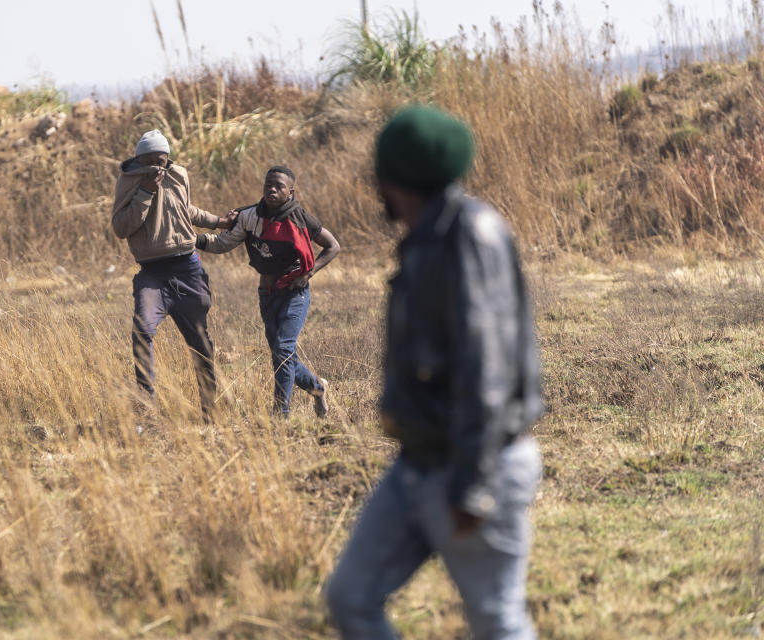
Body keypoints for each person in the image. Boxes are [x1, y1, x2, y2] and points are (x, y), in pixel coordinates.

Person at [326, 106, 544, 639]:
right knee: (351, 596)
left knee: (496, 621)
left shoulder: (469, 236)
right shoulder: (428, 235)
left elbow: (485, 366)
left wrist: (473, 484)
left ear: (392, 179)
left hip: (470, 464)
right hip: (419, 464)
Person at [111, 129, 236, 422]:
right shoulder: (130, 181)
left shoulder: (178, 174)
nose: (157, 168)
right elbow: (120, 227)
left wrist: (219, 222)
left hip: (187, 268)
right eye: (150, 162)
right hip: (152, 273)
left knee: (200, 342)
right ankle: (147, 406)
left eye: (162, 161)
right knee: (142, 331)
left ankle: (210, 411)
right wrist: (145, 191)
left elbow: (184, 209)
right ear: (139, 160)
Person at [195, 166, 340, 417]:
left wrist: (309, 272)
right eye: (268, 185)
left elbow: (332, 246)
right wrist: (191, 240)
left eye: (279, 186)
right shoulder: (250, 216)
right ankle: (318, 387)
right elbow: (223, 243)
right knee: (280, 354)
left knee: (283, 350)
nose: (272, 189)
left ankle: (280, 415)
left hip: (295, 294)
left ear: (290, 192)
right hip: (267, 294)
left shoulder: (300, 218)